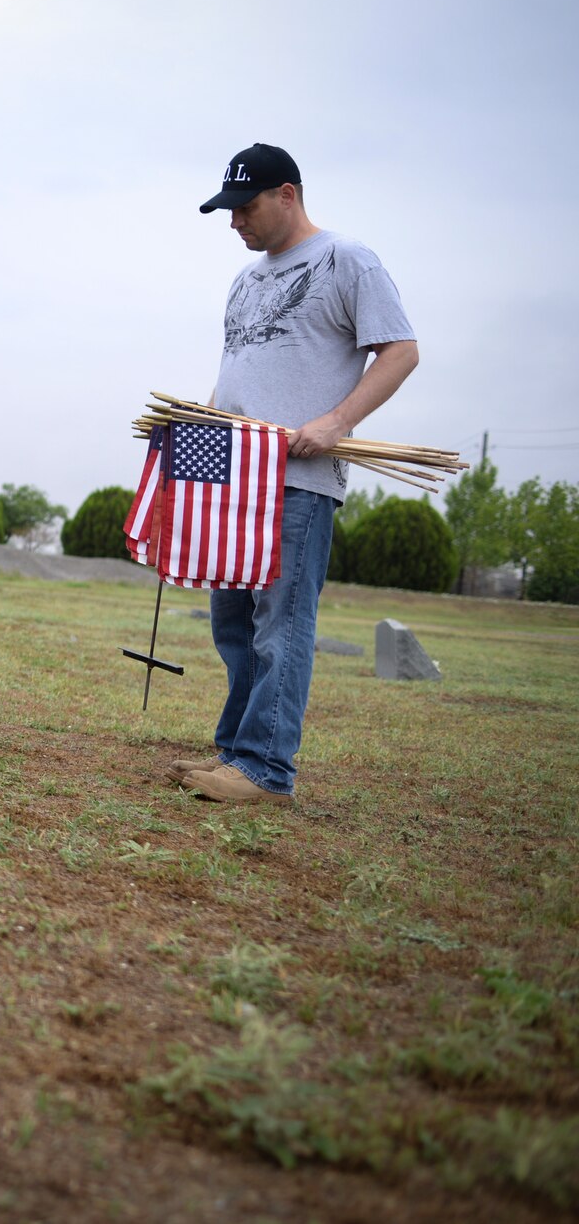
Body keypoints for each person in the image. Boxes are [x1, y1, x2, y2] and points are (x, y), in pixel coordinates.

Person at [175, 144, 419, 803]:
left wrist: (337, 422)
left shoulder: (347, 260)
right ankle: (235, 752)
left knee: (281, 625)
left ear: (287, 194)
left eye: (245, 207)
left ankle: (265, 769)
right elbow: (240, 370)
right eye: (228, 211)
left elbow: (401, 350)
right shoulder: (246, 280)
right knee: (232, 625)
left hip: (297, 481)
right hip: (235, 478)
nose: (235, 223)